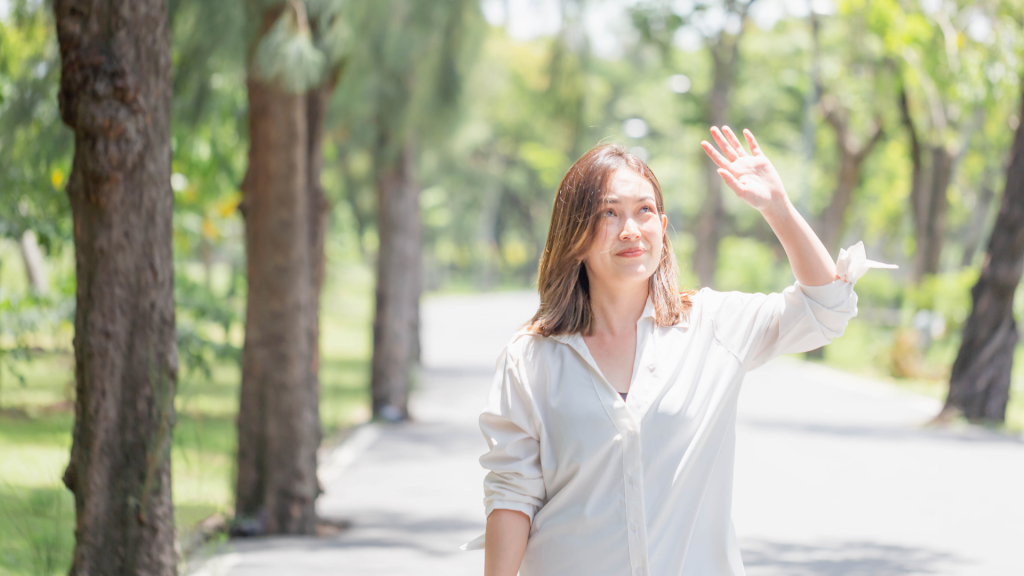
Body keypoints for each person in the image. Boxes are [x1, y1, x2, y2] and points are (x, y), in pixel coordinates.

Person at [461, 126, 894, 576]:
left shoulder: (714, 325)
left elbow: (825, 309)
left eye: (644, 210)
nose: (631, 230)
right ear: (576, 233)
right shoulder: (532, 358)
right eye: (608, 213)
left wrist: (778, 209)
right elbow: (513, 495)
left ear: (662, 228)